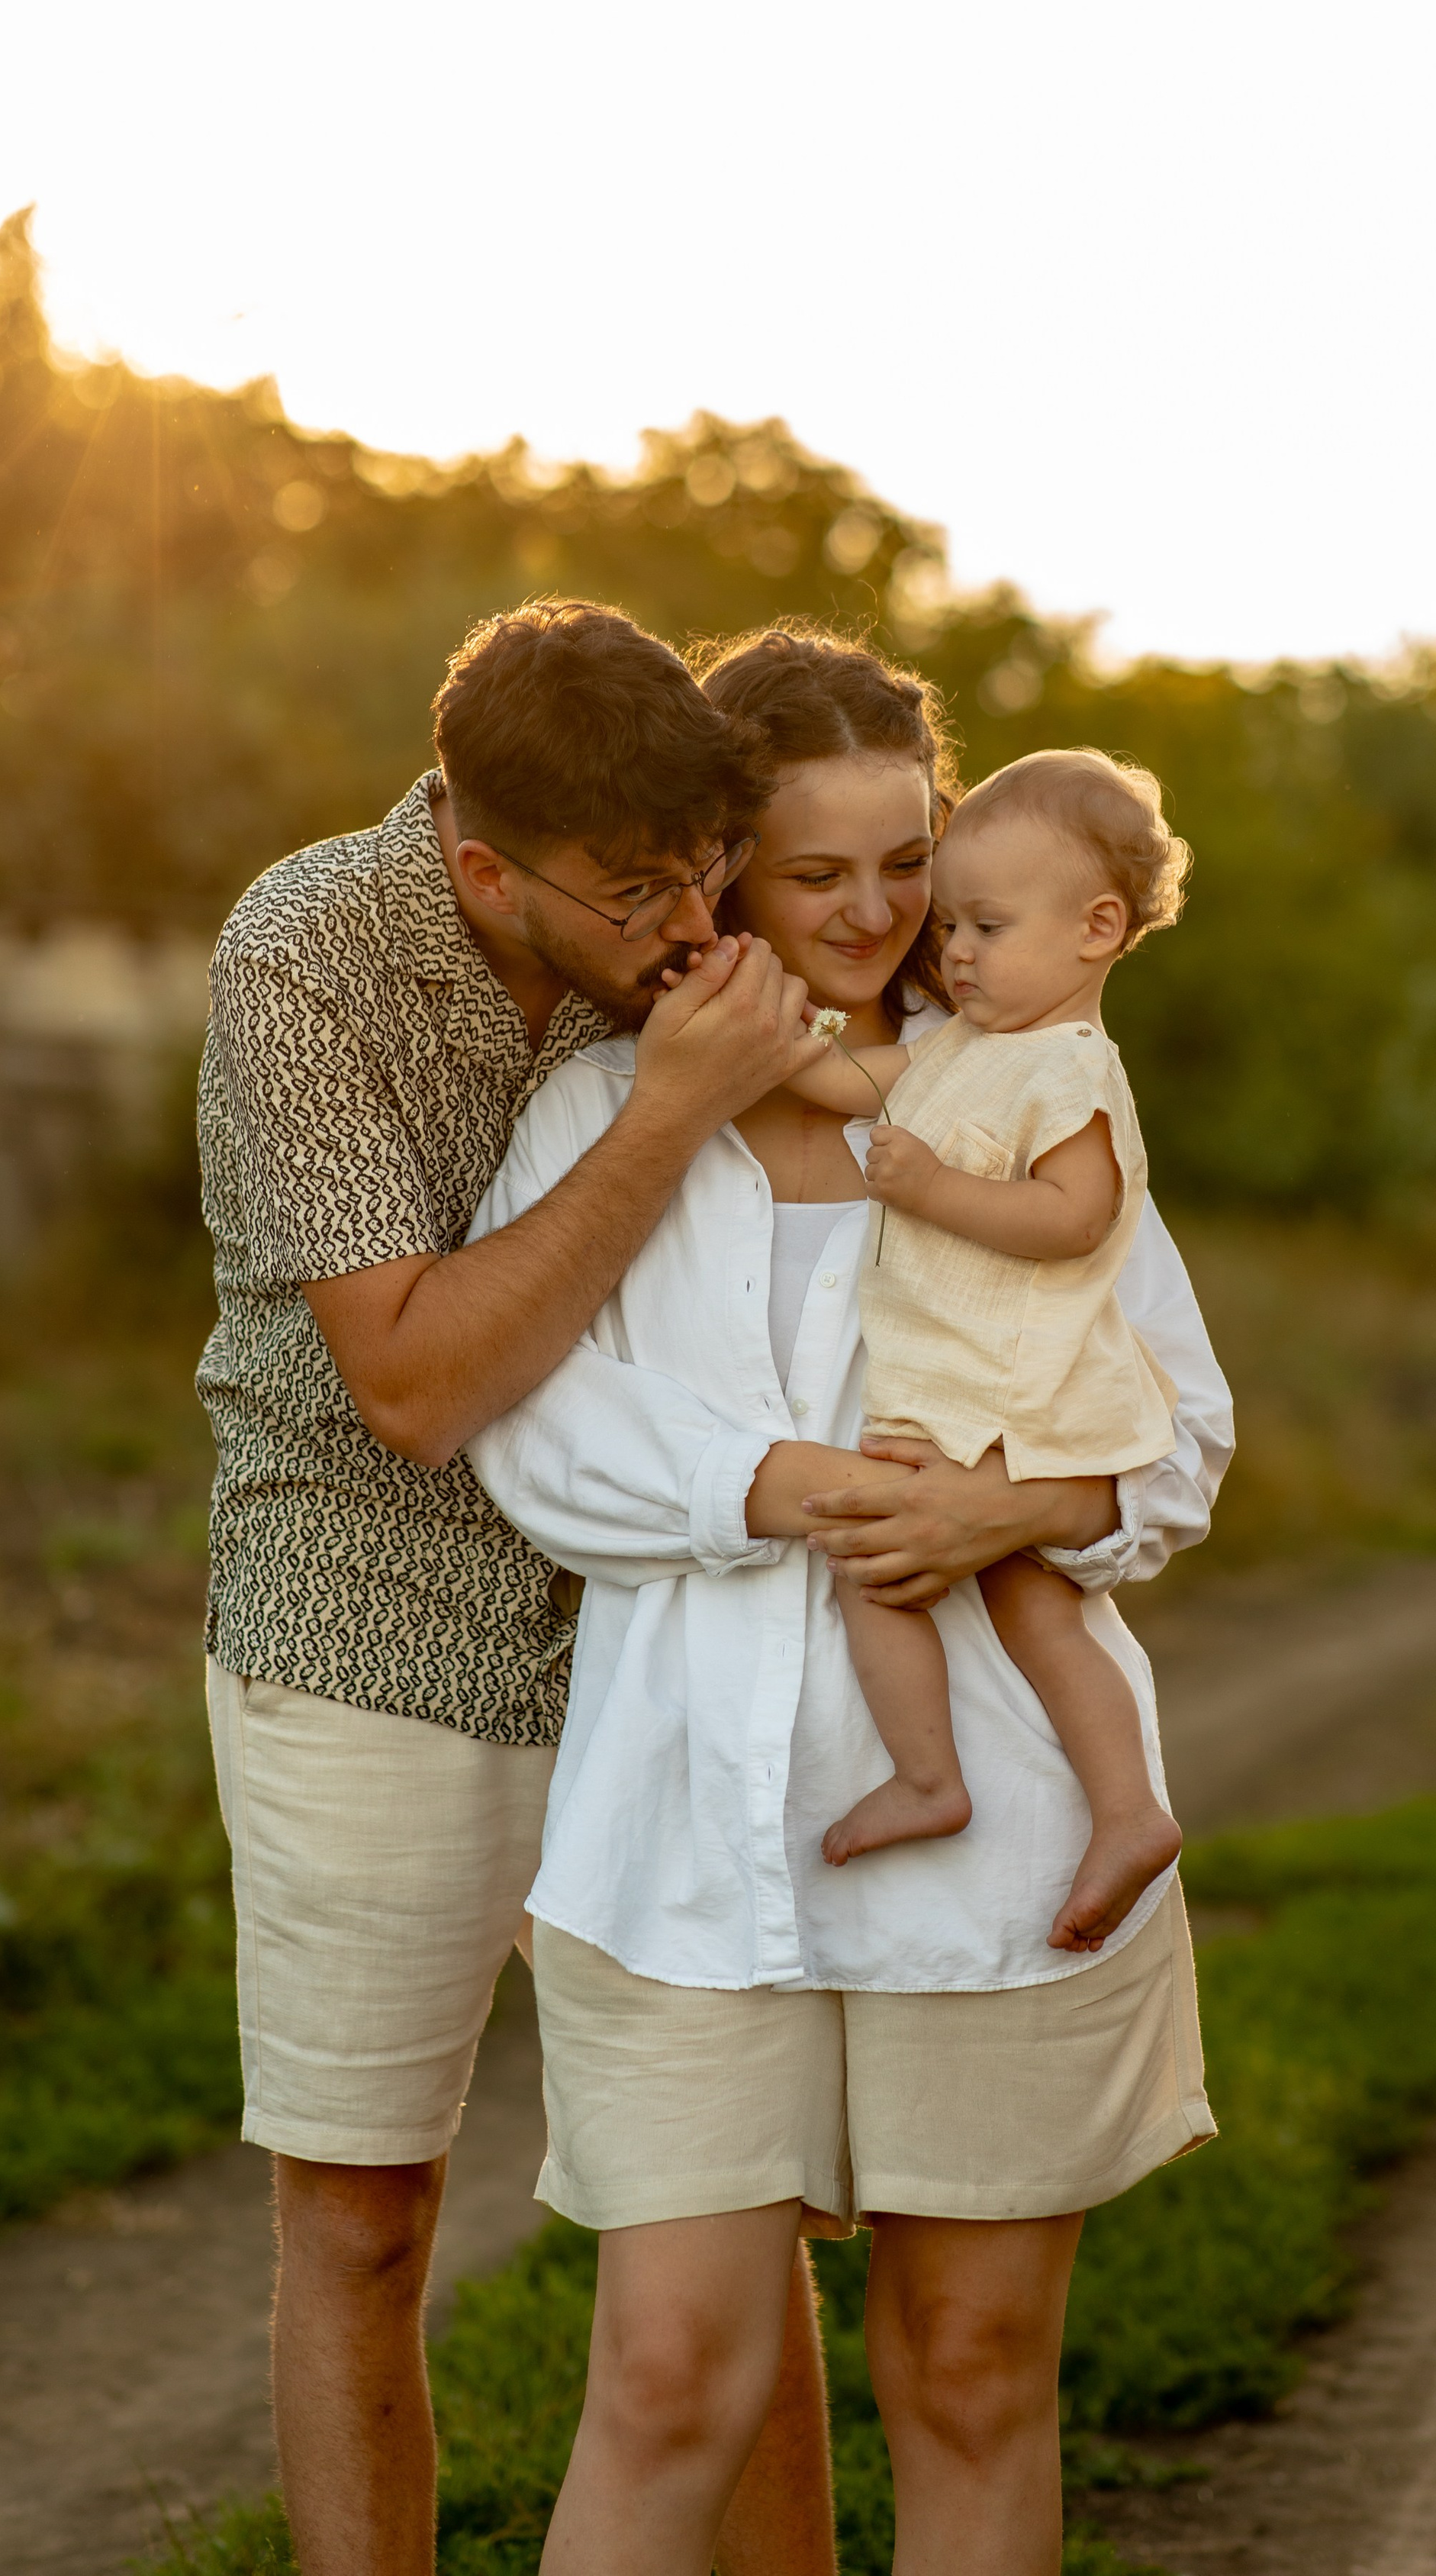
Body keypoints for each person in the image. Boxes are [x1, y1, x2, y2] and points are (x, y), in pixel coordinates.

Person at [466, 627, 1234, 2576]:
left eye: (911, 861)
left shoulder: (1028, 1095)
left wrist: (1008, 1517)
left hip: (999, 1839)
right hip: (685, 1845)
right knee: (663, 2380)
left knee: (970, 2372)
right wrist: (784, 1487)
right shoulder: (597, 1123)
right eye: (820, 872)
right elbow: (536, 1442)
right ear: (722, 867)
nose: (880, 911)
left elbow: (1182, 1437)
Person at [195, 599, 838, 2576]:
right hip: (366, 1615)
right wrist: (670, 1113)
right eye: (636, 887)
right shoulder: (304, 955)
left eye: (706, 864)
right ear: (484, 863)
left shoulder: (696, 926)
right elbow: (414, 1382)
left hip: (672, 1613)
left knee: (724, 2199)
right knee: (366, 2210)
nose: (688, 920)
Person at [787, 746, 1188, 1949]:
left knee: (918, 1573)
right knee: (973, 1589)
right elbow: (863, 1082)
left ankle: (1058, 1799)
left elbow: (1075, 1218)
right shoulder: (966, 1045)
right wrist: (761, 1039)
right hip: (959, 1383)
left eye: (988, 924)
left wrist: (931, 1191)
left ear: (1095, 929)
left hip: (1018, 1392)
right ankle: (1027, 1793)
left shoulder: (1073, 1070)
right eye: (951, 922)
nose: (952, 950)